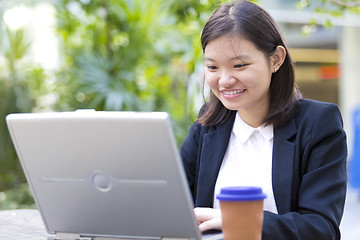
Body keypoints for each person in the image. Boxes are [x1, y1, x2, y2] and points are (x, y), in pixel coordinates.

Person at [179, 1, 347, 239]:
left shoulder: (318, 123)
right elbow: (173, 202)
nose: (224, 80)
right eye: (213, 67)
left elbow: (321, 228)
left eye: (239, 65)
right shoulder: (207, 125)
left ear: (276, 59)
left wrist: (239, 222)